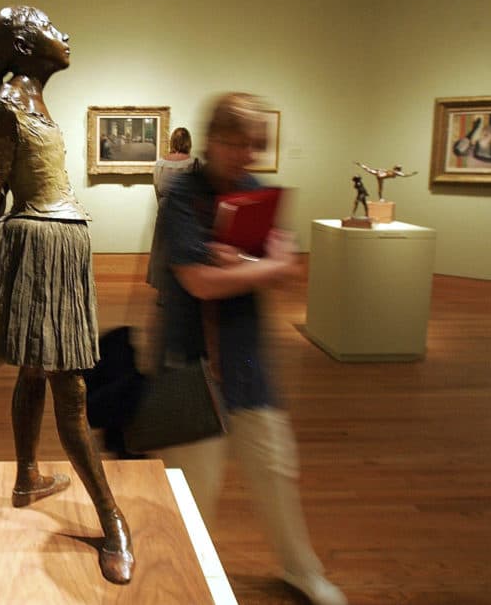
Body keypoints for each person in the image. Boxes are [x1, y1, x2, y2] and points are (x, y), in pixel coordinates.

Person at [0, 7, 134, 584]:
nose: (67, 34)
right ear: (28, 45)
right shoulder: (7, 109)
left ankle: (29, 474)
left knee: (34, 370)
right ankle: (111, 517)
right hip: (39, 245)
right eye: (54, 27)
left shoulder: (34, 105)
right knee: (68, 385)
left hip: (57, 246)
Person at [154, 93, 347, 605]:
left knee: (276, 471)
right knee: (194, 489)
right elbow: (198, 281)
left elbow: (279, 265)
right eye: (239, 143)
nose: (248, 155)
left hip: (245, 359)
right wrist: (260, 267)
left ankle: (301, 569)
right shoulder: (181, 197)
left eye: (255, 145)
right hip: (189, 361)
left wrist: (239, 264)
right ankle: (184, 584)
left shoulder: (255, 191)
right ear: (214, 139)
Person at [147, 127, 196, 288]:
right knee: (184, 253)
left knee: (163, 251)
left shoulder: (160, 164)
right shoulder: (193, 163)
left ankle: (163, 290)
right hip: (187, 213)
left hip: (165, 211)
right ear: (188, 142)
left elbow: (157, 189)